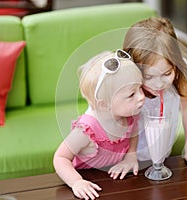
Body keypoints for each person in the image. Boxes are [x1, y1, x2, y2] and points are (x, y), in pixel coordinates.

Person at [123, 17, 187, 168]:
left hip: (161, 156)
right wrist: (130, 156)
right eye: (148, 77)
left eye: (167, 73)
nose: (159, 84)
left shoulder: (179, 75)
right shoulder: (126, 85)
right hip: (124, 160)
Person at [53, 50, 145, 200]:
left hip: (114, 185)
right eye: (131, 94)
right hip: (87, 189)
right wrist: (76, 182)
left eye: (140, 87)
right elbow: (60, 158)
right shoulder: (86, 130)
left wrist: (131, 156)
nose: (141, 96)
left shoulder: (130, 115)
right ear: (104, 105)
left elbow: (134, 131)